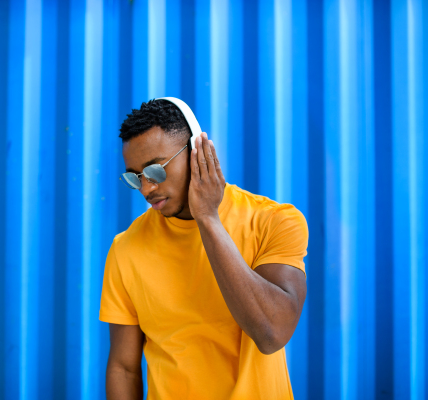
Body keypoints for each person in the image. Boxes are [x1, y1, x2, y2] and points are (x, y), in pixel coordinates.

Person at [99, 99, 309, 400]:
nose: (147, 189)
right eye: (135, 177)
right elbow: (124, 368)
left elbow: (271, 332)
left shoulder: (274, 221)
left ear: (198, 152)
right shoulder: (126, 249)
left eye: (156, 171)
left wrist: (208, 219)